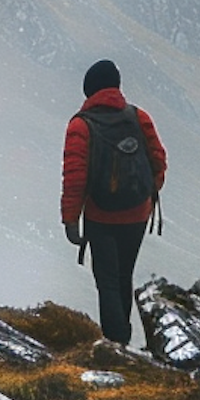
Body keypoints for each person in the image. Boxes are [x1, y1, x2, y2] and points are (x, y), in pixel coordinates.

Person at [60, 59, 167, 347]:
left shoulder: (81, 126)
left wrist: (70, 219)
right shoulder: (138, 116)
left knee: (106, 280)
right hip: (137, 216)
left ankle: (115, 346)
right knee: (124, 276)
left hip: (100, 217)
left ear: (89, 91)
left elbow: (75, 177)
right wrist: (145, 194)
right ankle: (123, 340)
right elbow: (159, 159)